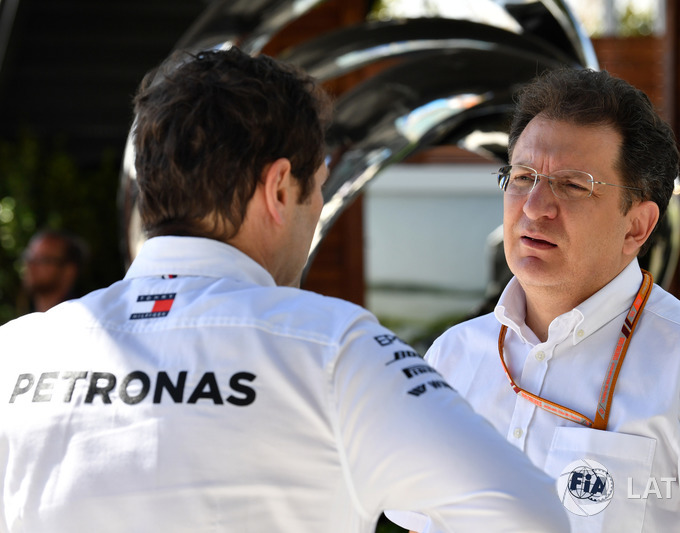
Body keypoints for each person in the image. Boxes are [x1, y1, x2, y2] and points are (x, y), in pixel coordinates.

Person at [0, 48, 569, 533]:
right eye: (316, 187)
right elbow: (530, 514)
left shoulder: (15, 353)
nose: (317, 209)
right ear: (278, 188)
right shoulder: (333, 351)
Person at [388, 68, 680, 532]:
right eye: (523, 176)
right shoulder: (453, 355)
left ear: (637, 226)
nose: (533, 206)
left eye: (572, 185)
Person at [20, 229, 88, 313]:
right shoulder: (25, 321)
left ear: (69, 271)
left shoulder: (81, 318)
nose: (31, 265)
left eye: (43, 260)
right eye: (29, 258)